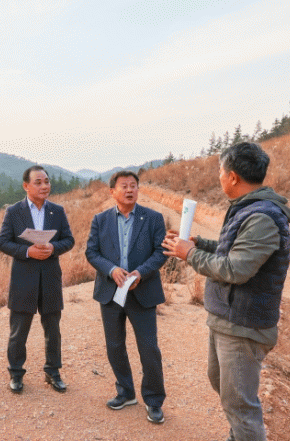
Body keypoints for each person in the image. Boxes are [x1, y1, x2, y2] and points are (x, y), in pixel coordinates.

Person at [162, 142, 290, 441]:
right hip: (228, 318)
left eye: (221, 172)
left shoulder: (261, 217)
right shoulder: (247, 209)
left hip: (243, 325)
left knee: (241, 406)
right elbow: (230, 250)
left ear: (233, 177)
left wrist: (189, 254)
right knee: (224, 387)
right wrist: (198, 243)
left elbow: (235, 269)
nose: (219, 177)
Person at [85, 170, 168, 424]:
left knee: (149, 348)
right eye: (124, 186)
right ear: (113, 192)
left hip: (142, 291)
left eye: (133, 185)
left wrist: (140, 273)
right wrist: (112, 270)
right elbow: (92, 252)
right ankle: (126, 392)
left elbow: (161, 252)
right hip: (111, 292)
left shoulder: (153, 218)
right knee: (115, 346)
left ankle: (154, 400)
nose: (130, 190)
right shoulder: (100, 220)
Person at [0, 165, 75, 394]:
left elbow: (69, 240)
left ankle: (53, 372)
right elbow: (3, 242)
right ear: (26, 186)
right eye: (38, 182)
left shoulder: (57, 211)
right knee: (19, 331)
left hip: (50, 278)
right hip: (23, 279)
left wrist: (53, 248)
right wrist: (27, 251)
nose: (44, 186)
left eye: (47, 181)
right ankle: (16, 373)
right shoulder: (14, 212)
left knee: (53, 330)